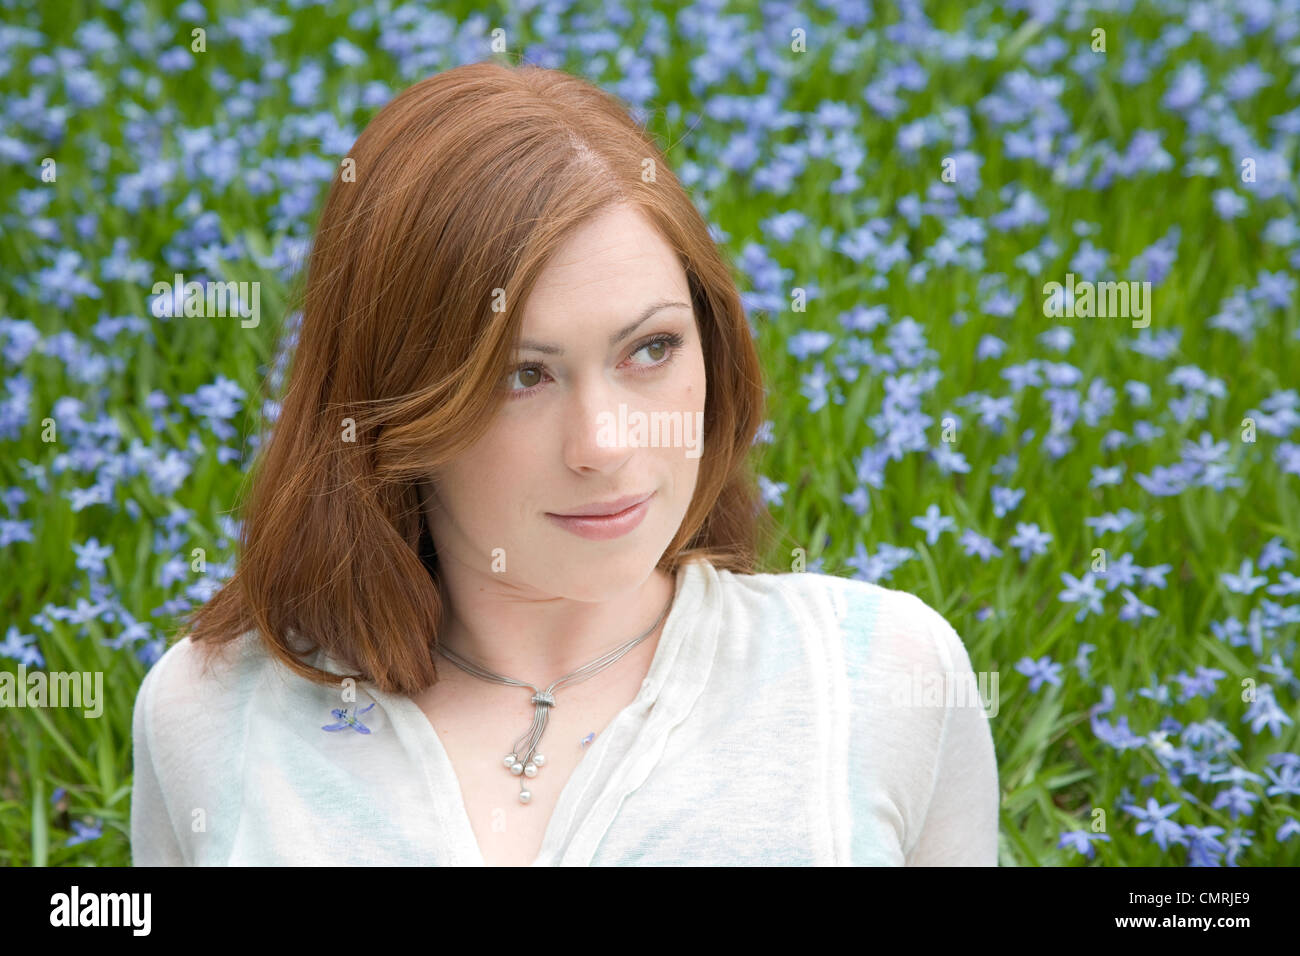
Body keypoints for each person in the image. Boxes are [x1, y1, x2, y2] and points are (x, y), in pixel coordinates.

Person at [130, 59, 999, 866]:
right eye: (523, 375)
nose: (606, 445)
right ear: (389, 400)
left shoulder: (883, 676)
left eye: (651, 349)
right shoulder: (210, 713)